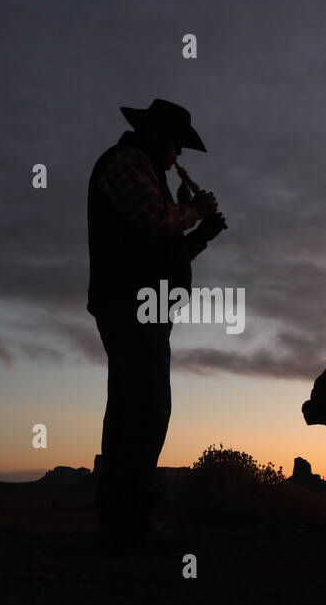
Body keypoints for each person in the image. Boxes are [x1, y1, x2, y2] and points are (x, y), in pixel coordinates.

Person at [86, 98, 227, 549]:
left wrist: (198, 236)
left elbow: (161, 248)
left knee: (135, 407)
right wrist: (195, 212)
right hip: (132, 303)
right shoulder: (127, 163)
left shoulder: (148, 173)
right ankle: (128, 524)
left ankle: (123, 520)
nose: (179, 157)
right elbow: (153, 224)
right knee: (144, 409)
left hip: (145, 304)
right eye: (177, 146)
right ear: (158, 137)